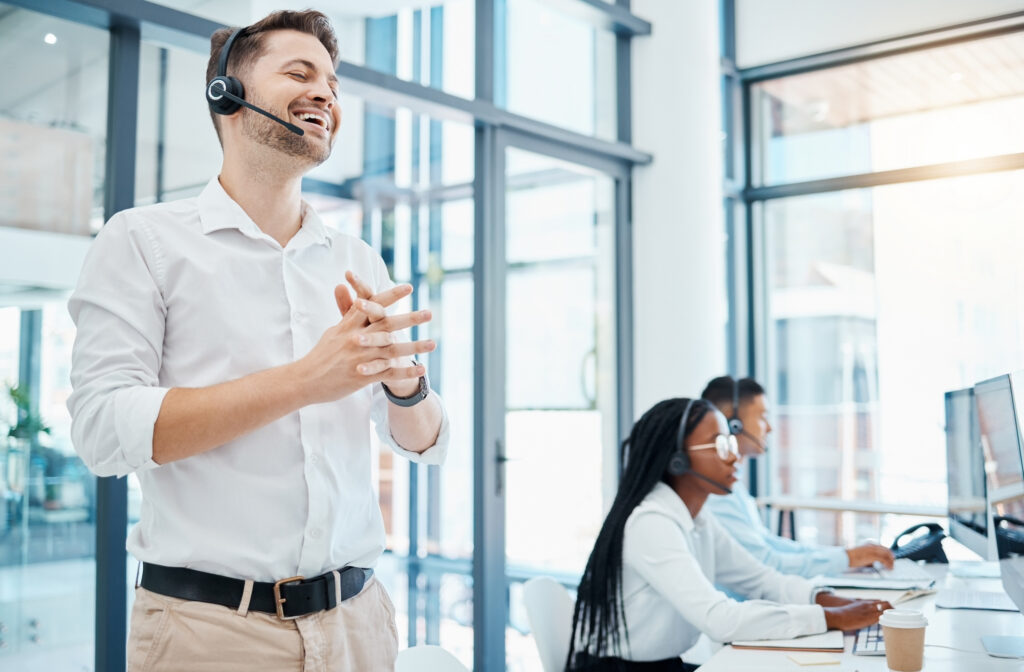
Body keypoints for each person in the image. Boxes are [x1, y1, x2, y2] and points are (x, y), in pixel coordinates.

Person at [67, 10, 448, 671]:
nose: (326, 92)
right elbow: (102, 432)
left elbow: (421, 443)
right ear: (227, 95)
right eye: (299, 73)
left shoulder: (357, 258)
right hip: (210, 634)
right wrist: (307, 380)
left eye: (332, 81)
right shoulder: (143, 241)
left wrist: (405, 386)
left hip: (361, 623)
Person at [566, 398, 890, 671]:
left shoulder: (699, 518)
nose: (734, 455)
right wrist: (829, 617)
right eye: (722, 445)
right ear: (677, 460)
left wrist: (836, 601)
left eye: (731, 442)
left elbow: (763, 580)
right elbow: (719, 618)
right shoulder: (651, 523)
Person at [701, 376, 893, 577]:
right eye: (762, 417)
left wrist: (844, 556)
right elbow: (766, 562)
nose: (770, 427)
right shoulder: (715, 493)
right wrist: (845, 559)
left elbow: (768, 544)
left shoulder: (733, 485)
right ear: (733, 424)